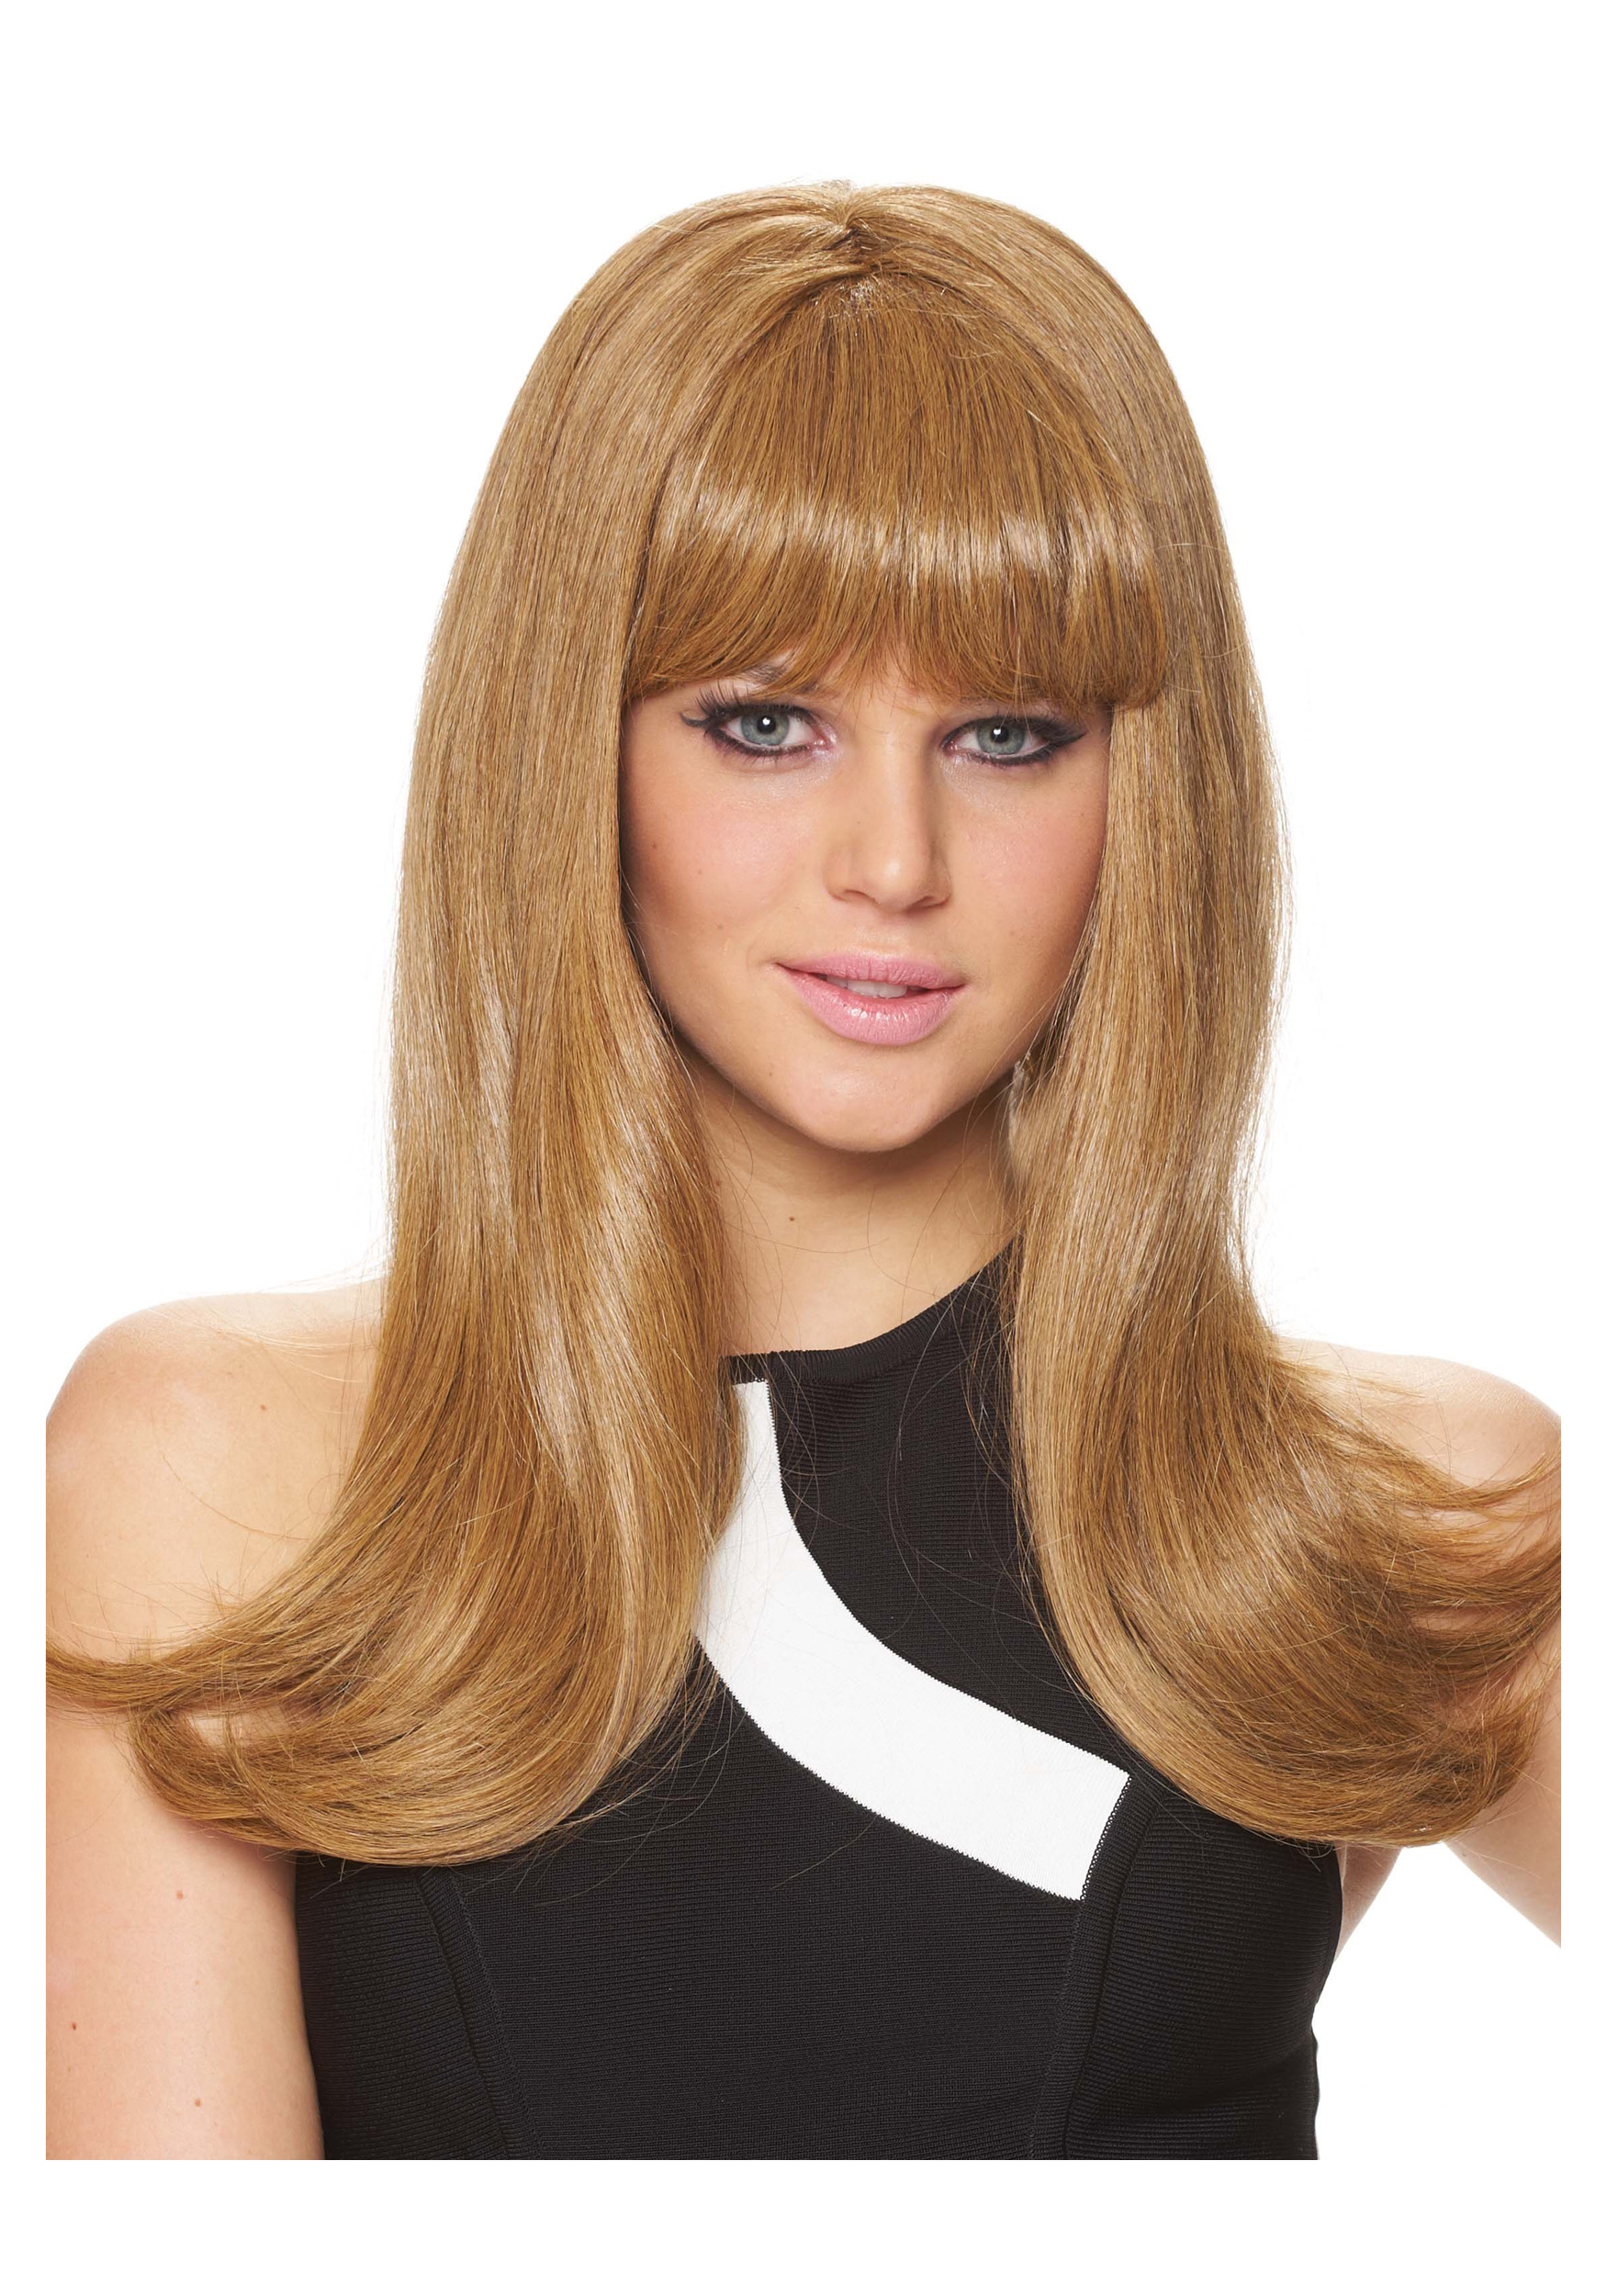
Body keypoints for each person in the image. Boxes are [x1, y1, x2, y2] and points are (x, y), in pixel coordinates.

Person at [45, 179, 1560, 2160]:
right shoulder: (229, 1471)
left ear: (1147, 783)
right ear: (568, 750)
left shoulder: (1390, 1523)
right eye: (763, 723)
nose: (893, 863)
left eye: (1009, 734)